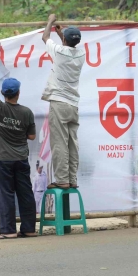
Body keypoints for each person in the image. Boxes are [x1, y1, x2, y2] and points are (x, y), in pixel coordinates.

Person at [0, 58, 37, 239]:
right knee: (25, 193)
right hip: (21, 158)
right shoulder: (26, 112)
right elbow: (32, 136)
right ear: (18, 93)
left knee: (6, 194)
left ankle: (8, 231)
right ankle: (29, 229)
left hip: (3, 159)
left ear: (3, 93)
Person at [41, 14, 86, 189]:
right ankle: (72, 179)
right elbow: (69, 46)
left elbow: (45, 37)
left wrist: (50, 21)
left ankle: (62, 180)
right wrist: (62, 35)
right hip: (73, 104)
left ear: (65, 41)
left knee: (59, 142)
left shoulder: (59, 51)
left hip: (59, 103)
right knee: (72, 143)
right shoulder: (81, 53)